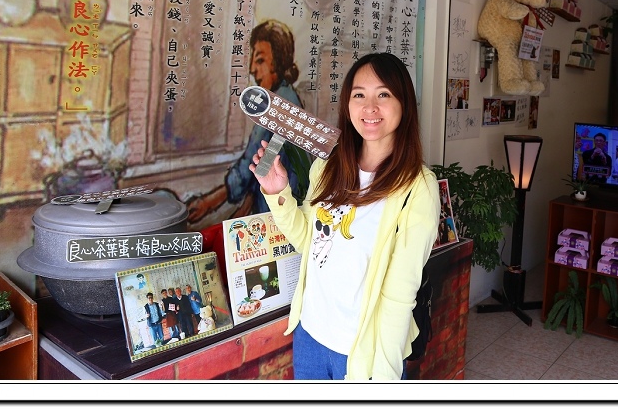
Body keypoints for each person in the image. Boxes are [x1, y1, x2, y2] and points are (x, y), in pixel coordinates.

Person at [250, 52, 440, 380]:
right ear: (347, 104)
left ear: (404, 103)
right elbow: (310, 243)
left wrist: (384, 376)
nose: (370, 107)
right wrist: (278, 193)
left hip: (361, 353)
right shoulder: (328, 166)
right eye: (359, 95)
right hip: (310, 336)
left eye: (384, 94)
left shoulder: (418, 187)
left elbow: (399, 295)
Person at [187, 20, 305, 224]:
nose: (252, 69)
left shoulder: (278, 105)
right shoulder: (287, 97)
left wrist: (209, 202)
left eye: (260, 60)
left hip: (281, 215)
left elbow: (254, 161)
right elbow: (266, 160)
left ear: (278, 61)